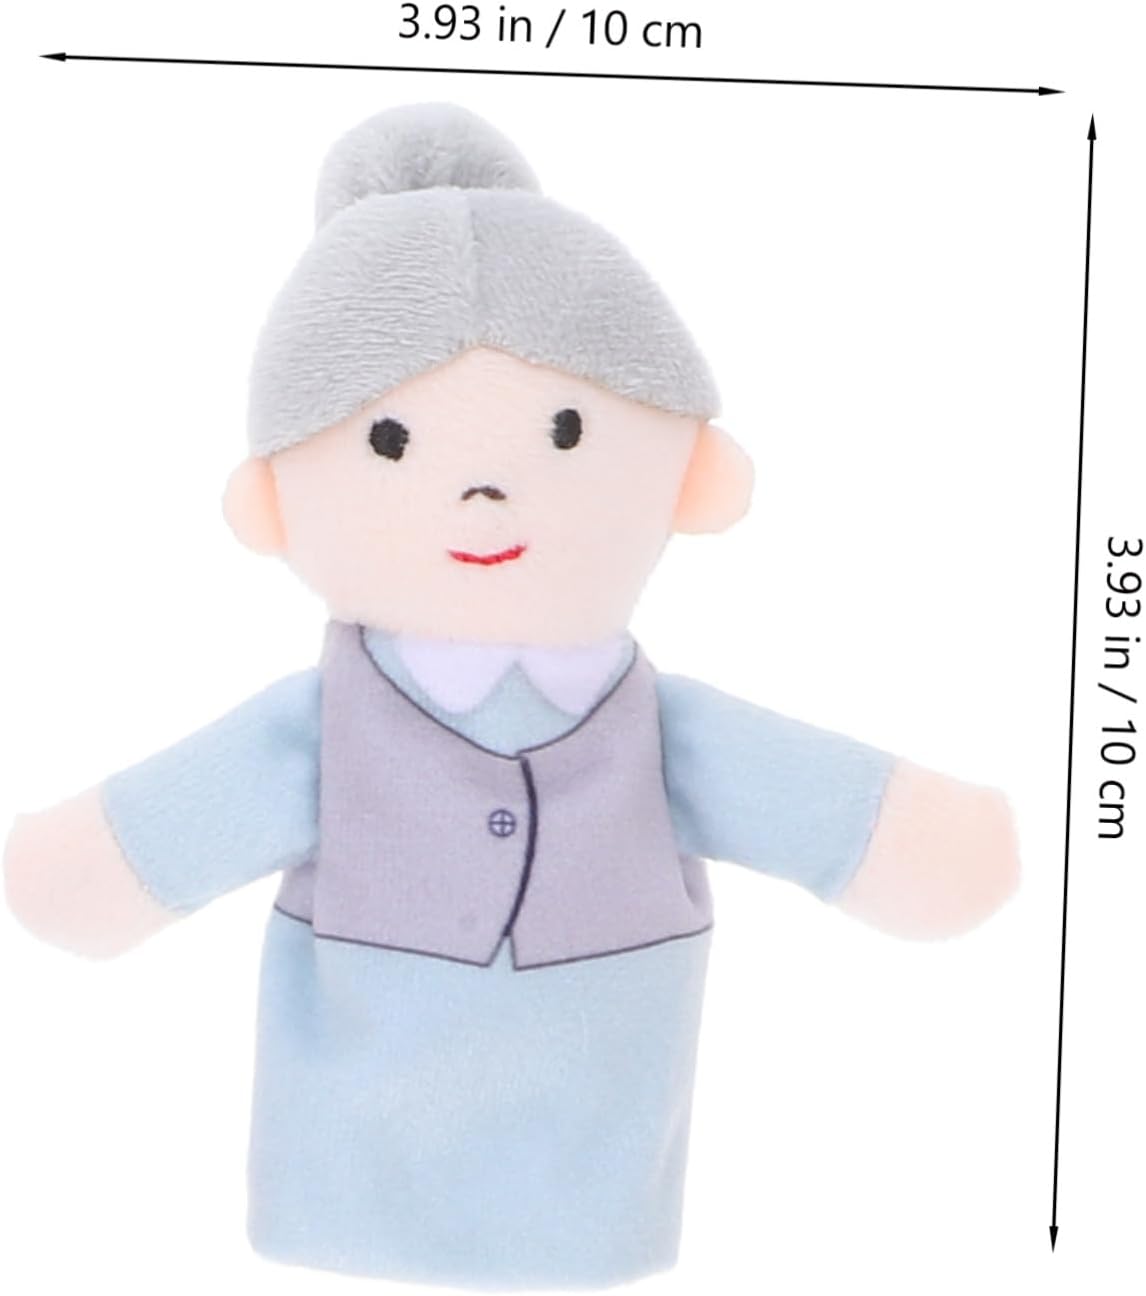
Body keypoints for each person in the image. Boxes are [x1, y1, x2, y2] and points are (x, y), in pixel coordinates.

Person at [3, 103, 1018, 1288]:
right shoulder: (322, 732)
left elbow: (838, 813)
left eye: (566, 432)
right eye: (390, 443)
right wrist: (82, 867)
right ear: (270, 507)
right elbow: (138, 846)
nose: (485, 491)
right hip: (352, 1170)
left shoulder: (660, 733)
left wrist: (918, 841)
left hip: (592, 1173)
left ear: (696, 475)